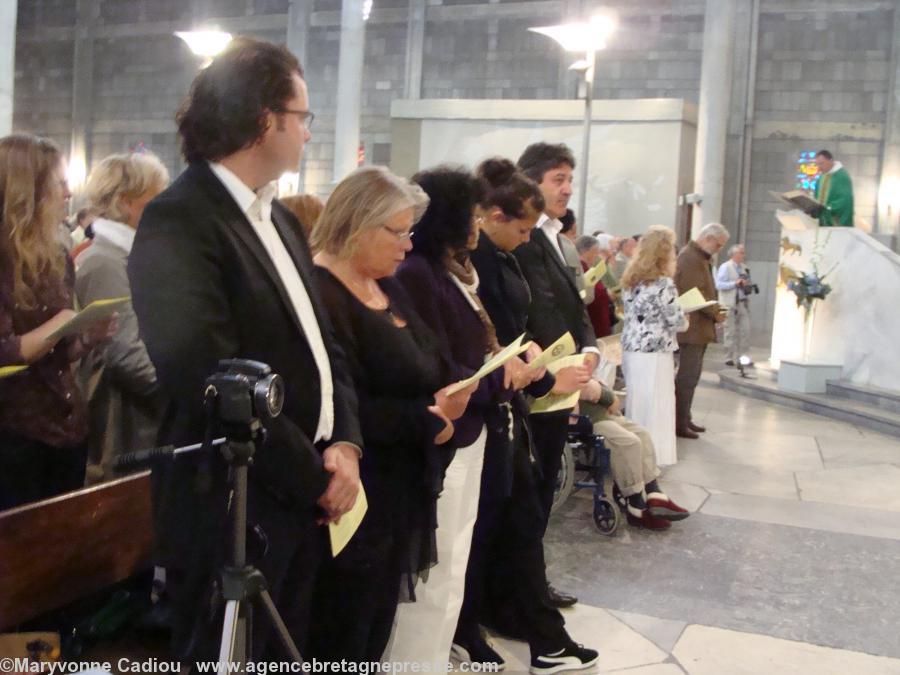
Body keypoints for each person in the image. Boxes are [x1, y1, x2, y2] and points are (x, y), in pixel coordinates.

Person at [127, 38, 363, 663]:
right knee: (228, 657)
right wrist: (313, 476)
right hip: (233, 498)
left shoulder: (280, 219)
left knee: (288, 651)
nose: (308, 132)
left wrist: (345, 442)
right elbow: (202, 376)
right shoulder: (179, 220)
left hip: (302, 491)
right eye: (303, 117)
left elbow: (325, 346)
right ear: (264, 120)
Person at [307, 166, 472, 662]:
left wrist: (453, 389)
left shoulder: (387, 286)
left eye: (410, 232)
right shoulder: (321, 293)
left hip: (401, 484)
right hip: (356, 490)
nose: (408, 245)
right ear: (357, 224)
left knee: (374, 630)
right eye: (397, 232)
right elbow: (338, 404)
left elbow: (432, 357)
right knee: (339, 635)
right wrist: (429, 418)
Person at [388, 166, 534, 671]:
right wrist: (499, 379)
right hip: (449, 425)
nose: (477, 224)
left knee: (455, 557)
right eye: (471, 214)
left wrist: (503, 368)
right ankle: (413, 662)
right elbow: (437, 361)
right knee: (433, 567)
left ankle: (435, 655)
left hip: (473, 425)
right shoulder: (418, 273)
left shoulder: (452, 270)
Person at [462, 157, 599, 674]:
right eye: (521, 228)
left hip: (513, 400)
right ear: (490, 216)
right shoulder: (476, 259)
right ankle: (504, 630)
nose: (526, 238)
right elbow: (485, 334)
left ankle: (541, 632)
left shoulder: (505, 253)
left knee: (519, 519)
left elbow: (532, 317)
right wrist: (537, 372)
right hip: (498, 404)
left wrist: (549, 356)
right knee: (497, 526)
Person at [0, 134, 117, 510]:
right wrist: (63, 322)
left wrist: (86, 338)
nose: (69, 193)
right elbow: (4, 354)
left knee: (64, 538)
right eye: (60, 183)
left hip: (66, 427)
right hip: (14, 434)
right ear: (28, 190)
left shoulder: (56, 254)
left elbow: (57, 355)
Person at [515, 142, 596, 608]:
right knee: (532, 490)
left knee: (544, 487)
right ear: (532, 182)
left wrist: (589, 349)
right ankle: (525, 590)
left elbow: (574, 301)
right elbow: (536, 311)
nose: (567, 189)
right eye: (558, 180)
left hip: (563, 376)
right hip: (539, 380)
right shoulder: (526, 238)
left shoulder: (556, 236)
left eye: (569, 180)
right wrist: (554, 373)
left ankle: (532, 584)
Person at [76, 152, 170, 484]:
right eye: (157, 196)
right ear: (126, 202)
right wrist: (185, 396)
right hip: (128, 425)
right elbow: (124, 353)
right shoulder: (105, 261)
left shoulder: (136, 255)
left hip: (148, 420)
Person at [620, 225, 687, 467]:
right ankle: (653, 458)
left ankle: (635, 455)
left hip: (632, 348)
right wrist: (685, 318)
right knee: (656, 406)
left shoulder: (630, 280)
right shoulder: (663, 283)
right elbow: (675, 320)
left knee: (637, 403)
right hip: (655, 351)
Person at [580, 382, 689, 530]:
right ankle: (635, 504)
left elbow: (612, 402)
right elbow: (596, 394)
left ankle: (654, 492)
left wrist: (602, 393)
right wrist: (603, 394)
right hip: (588, 420)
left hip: (606, 415)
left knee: (642, 435)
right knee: (630, 442)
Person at [674, 222, 729, 440]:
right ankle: (679, 422)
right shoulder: (690, 258)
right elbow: (694, 293)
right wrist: (715, 312)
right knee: (687, 377)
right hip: (692, 328)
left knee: (692, 376)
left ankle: (685, 417)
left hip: (699, 328)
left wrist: (717, 310)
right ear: (707, 238)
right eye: (718, 245)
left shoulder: (700, 258)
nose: (718, 249)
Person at [715, 243, 751, 367]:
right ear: (734, 254)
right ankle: (728, 357)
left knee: (745, 330)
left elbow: (746, 282)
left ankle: (743, 357)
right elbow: (719, 285)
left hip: (741, 302)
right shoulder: (725, 267)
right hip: (728, 303)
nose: (743, 255)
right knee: (729, 331)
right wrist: (734, 283)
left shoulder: (744, 268)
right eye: (741, 253)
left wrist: (747, 286)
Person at [575, 234, 616, 338]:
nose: (597, 255)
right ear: (587, 251)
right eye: (595, 252)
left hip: (599, 320)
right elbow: (585, 295)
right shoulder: (579, 269)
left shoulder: (589, 268)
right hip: (592, 323)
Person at [813, 149, 854, 227]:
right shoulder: (822, 177)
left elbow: (844, 201)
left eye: (821, 164)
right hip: (822, 222)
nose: (819, 168)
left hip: (836, 223)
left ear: (830, 161)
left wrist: (826, 208)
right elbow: (817, 197)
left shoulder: (841, 177)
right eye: (817, 164)